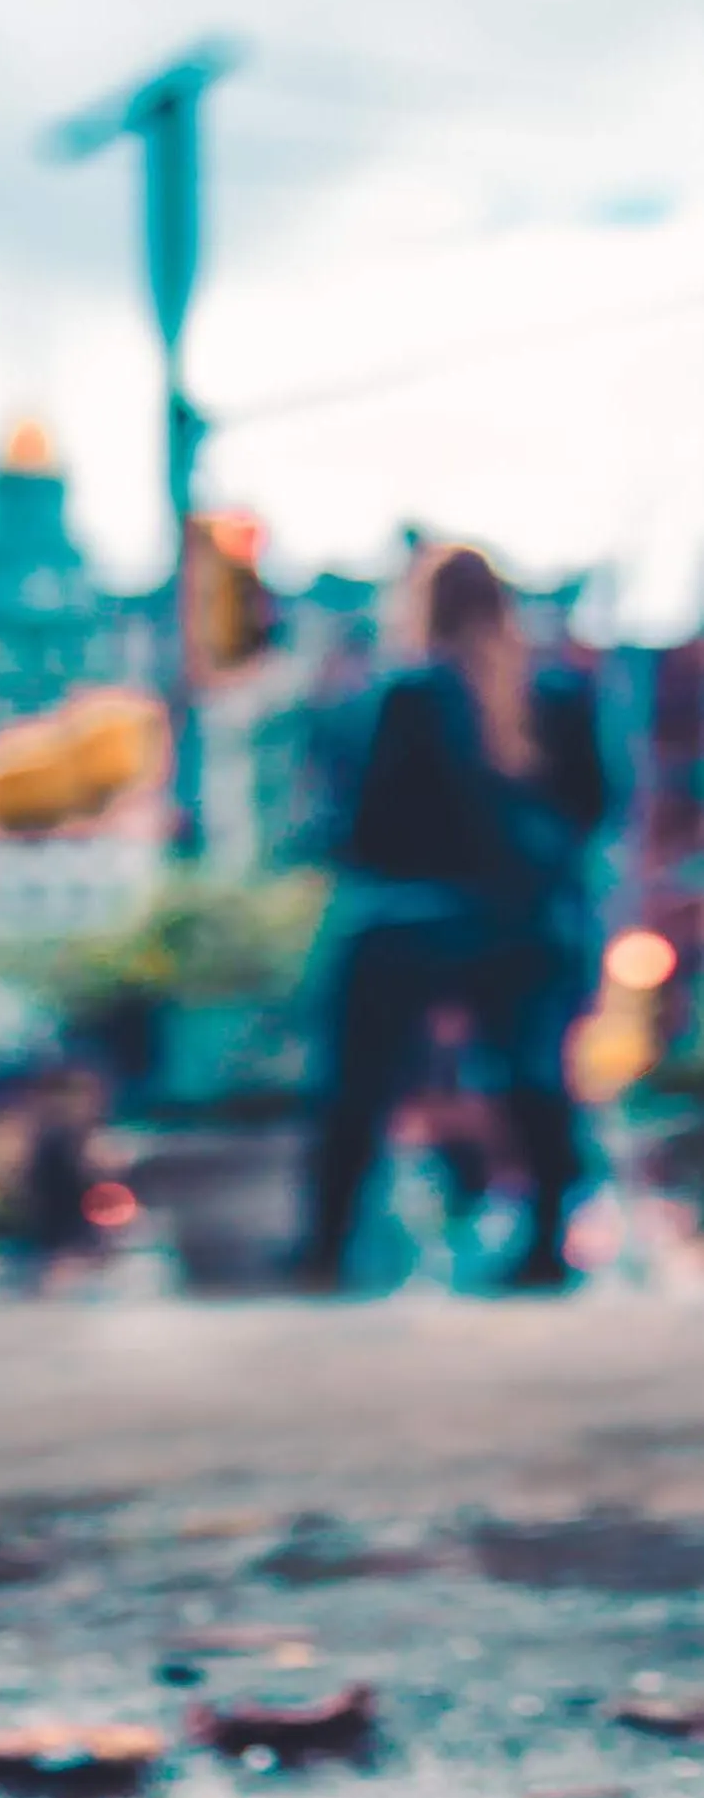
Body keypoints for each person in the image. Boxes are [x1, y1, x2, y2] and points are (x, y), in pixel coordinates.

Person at [302, 545, 608, 1291]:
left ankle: (328, 1246)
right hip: (530, 924)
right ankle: (544, 1242)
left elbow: (362, 822)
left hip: (410, 920)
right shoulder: (559, 692)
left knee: (356, 1081)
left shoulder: (402, 693)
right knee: (533, 1076)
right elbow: (597, 805)